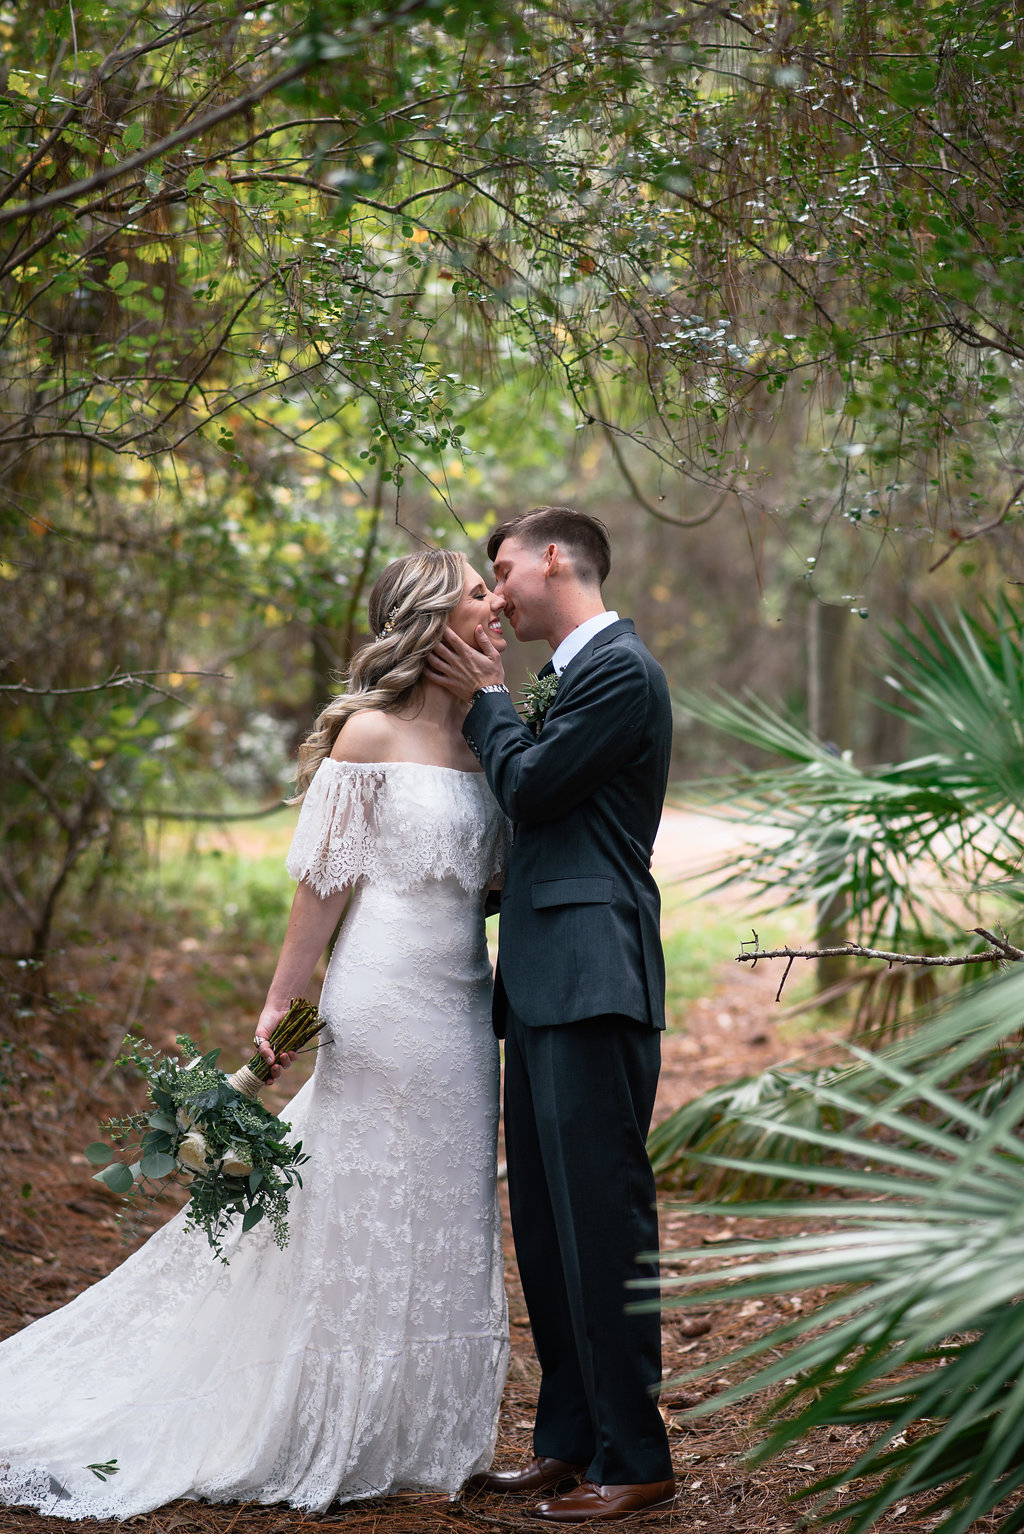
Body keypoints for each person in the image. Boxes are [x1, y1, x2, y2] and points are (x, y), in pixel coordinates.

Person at [0, 549, 511, 1520]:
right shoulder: (366, 735)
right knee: (359, 1198)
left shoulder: (495, 738)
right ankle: (317, 1412)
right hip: (384, 993)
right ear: (431, 620)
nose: (497, 605)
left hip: (462, 1005)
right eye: (477, 594)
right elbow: (321, 883)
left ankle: (417, 1427)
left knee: (447, 1200)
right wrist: (281, 1003)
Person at [427, 506, 676, 1526]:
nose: (496, 592)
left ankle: (637, 1454)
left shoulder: (620, 669)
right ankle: (568, 1443)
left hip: (592, 978)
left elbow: (531, 788)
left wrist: (486, 700)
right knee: (547, 1223)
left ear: (555, 558)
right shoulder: (573, 678)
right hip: (538, 981)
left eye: (503, 569)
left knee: (601, 1223)